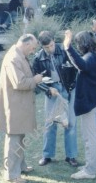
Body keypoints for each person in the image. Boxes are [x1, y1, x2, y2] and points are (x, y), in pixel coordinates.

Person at [0, 34, 45, 183]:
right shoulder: (14, 58)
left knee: (20, 138)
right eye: (33, 48)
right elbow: (19, 83)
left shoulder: (17, 54)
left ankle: (20, 166)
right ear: (26, 44)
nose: (33, 51)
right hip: (14, 106)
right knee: (14, 141)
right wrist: (35, 80)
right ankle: (11, 174)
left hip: (18, 105)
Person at [64, 20, 96, 180]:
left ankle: (90, 170)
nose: (77, 47)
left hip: (89, 102)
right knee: (90, 136)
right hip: (94, 99)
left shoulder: (89, 58)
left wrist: (67, 47)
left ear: (82, 45)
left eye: (77, 44)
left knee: (89, 138)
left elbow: (80, 64)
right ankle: (93, 165)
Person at [33, 31, 79, 167]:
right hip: (52, 90)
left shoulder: (65, 50)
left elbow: (78, 66)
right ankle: (47, 155)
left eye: (52, 45)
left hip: (69, 88)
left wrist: (72, 86)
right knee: (50, 123)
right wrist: (47, 89)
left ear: (54, 40)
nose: (50, 49)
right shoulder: (38, 58)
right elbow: (36, 79)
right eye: (46, 47)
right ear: (42, 46)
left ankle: (71, 156)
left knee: (70, 122)